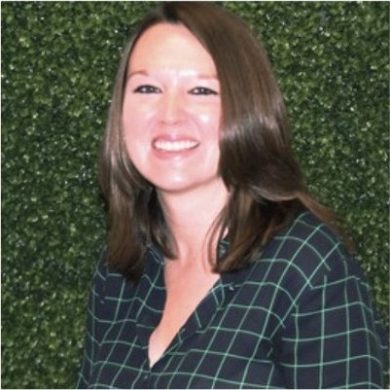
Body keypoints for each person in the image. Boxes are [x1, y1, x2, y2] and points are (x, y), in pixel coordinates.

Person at [77, 2, 386, 388]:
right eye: (148, 88)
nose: (170, 114)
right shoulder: (120, 271)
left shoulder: (307, 267)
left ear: (247, 110)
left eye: (202, 90)